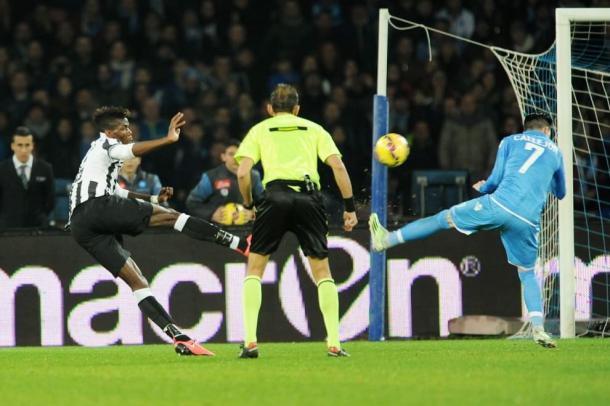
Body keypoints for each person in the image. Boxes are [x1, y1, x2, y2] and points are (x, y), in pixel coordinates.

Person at [370, 113, 565, 348]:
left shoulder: (510, 141)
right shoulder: (555, 151)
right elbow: (561, 192)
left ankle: (387, 239)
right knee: (526, 274)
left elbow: (495, 180)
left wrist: (485, 186)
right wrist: (544, 178)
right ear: (547, 131)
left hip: (499, 205)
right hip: (528, 220)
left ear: (527, 129)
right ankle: (539, 329)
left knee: (442, 218)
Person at [69, 106, 251, 356]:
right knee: (172, 217)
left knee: (137, 281)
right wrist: (167, 139)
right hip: (96, 208)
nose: (128, 129)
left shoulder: (96, 155)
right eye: (123, 126)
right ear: (110, 131)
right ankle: (241, 244)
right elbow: (128, 151)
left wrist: (152, 197)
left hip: (82, 226)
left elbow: (117, 191)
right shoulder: (107, 146)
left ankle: (179, 338)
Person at [235, 84, 358, 358]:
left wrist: (248, 203)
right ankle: (334, 343)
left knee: (254, 269)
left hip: (274, 196)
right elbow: (338, 166)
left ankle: (251, 341)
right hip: (308, 198)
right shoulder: (314, 129)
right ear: (297, 108)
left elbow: (243, 172)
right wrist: (349, 207)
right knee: (322, 273)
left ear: (269, 109)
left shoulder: (259, 130)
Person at [186, 139, 263, 224]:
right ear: (223, 157)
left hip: (246, 230)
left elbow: (265, 204)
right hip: (217, 229)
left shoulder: (253, 176)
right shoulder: (211, 177)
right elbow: (192, 203)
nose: (236, 158)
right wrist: (212, 213)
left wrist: (253, 214)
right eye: (231, 154)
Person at [0, 126, 54, 229]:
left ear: (32, 146)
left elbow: (50, 200)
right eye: (19, 145)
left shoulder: (45, 168)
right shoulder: (1, 169)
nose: (23, 149)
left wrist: (40, 216)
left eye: (27, 145)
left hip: (37, 228)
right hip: (7, 228)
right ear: (13, 146)